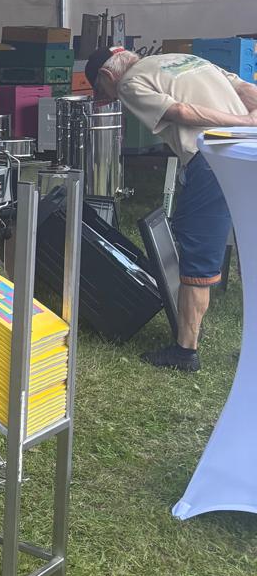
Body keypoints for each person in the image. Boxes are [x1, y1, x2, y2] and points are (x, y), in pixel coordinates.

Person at [86, 45, 257, 372]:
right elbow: (244, 88)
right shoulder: (186, 59)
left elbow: (180, 111)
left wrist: (240, 122)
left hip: (215, 153)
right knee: (251, 248)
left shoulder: (129, 82)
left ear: (107, 75)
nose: (108, 96)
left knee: (197, 250)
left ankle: (185, 352)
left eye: (101, 89)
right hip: (251, 149)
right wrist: (251, 124)